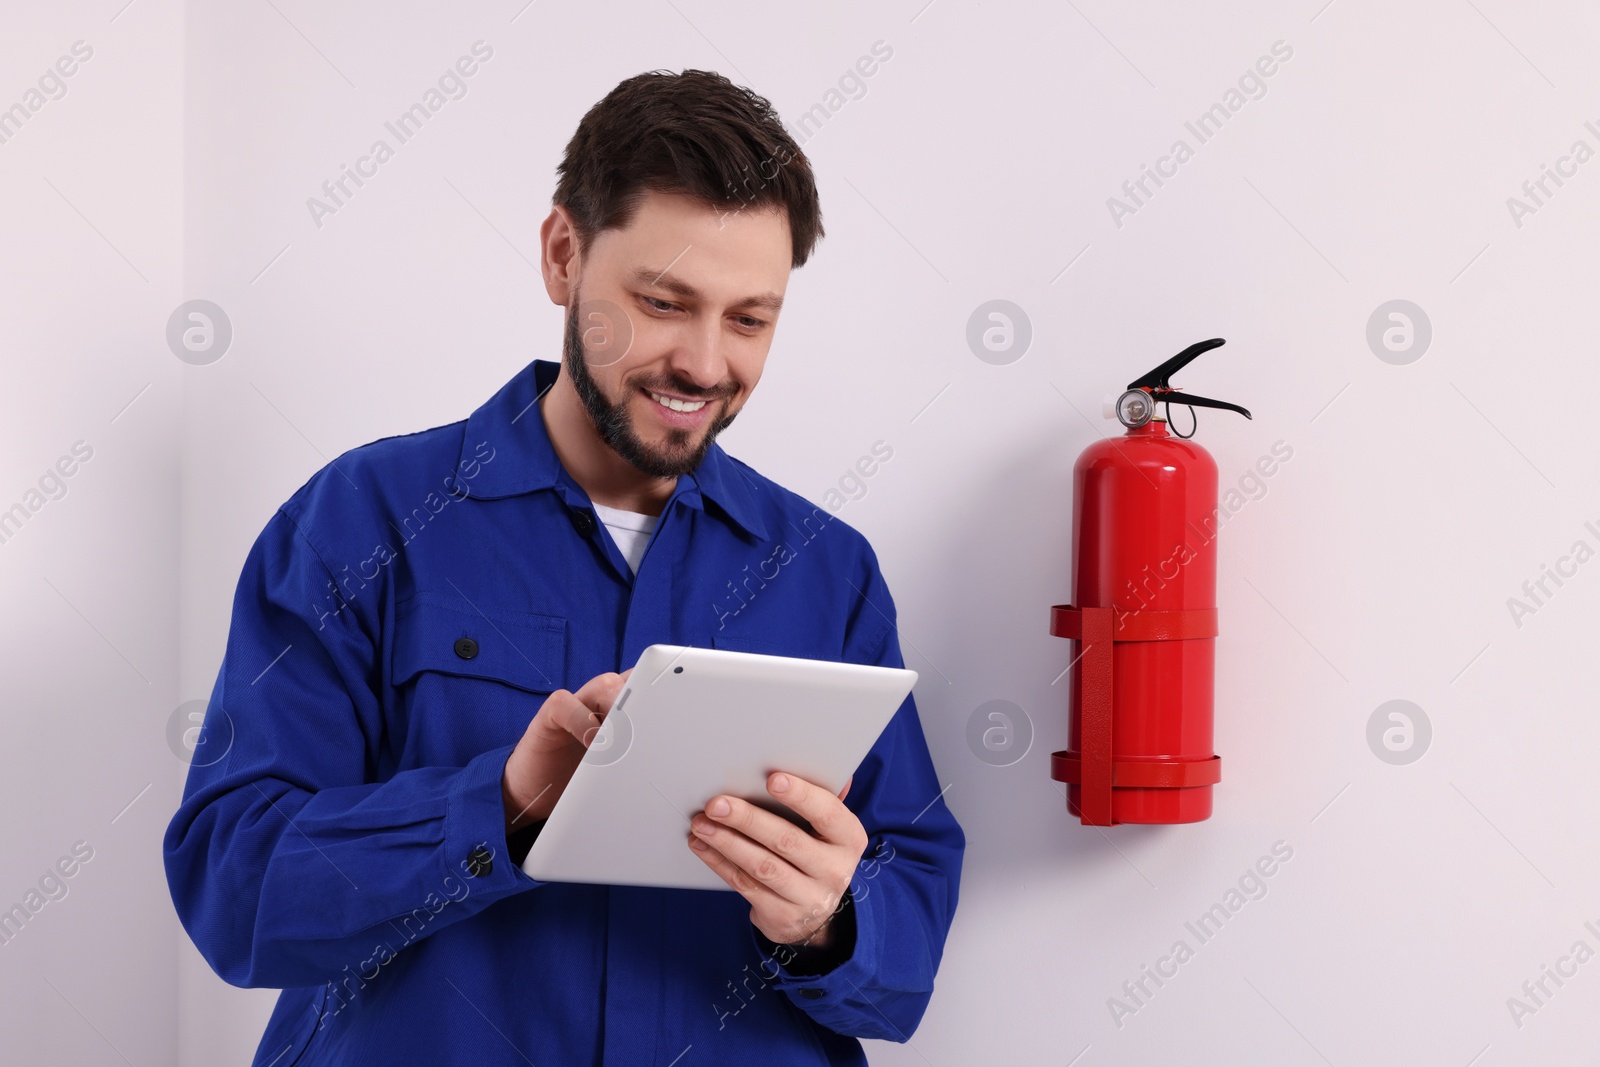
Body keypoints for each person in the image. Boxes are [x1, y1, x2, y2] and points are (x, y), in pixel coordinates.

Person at [163, 68, 964, 1066]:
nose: (706, 363)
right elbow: (233, 889)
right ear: (563, 255)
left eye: (749, 318)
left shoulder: (826, 572)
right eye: (665, 301)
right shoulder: (360, 521)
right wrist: (498, 804)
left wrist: (831, 920)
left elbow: (908, 949)